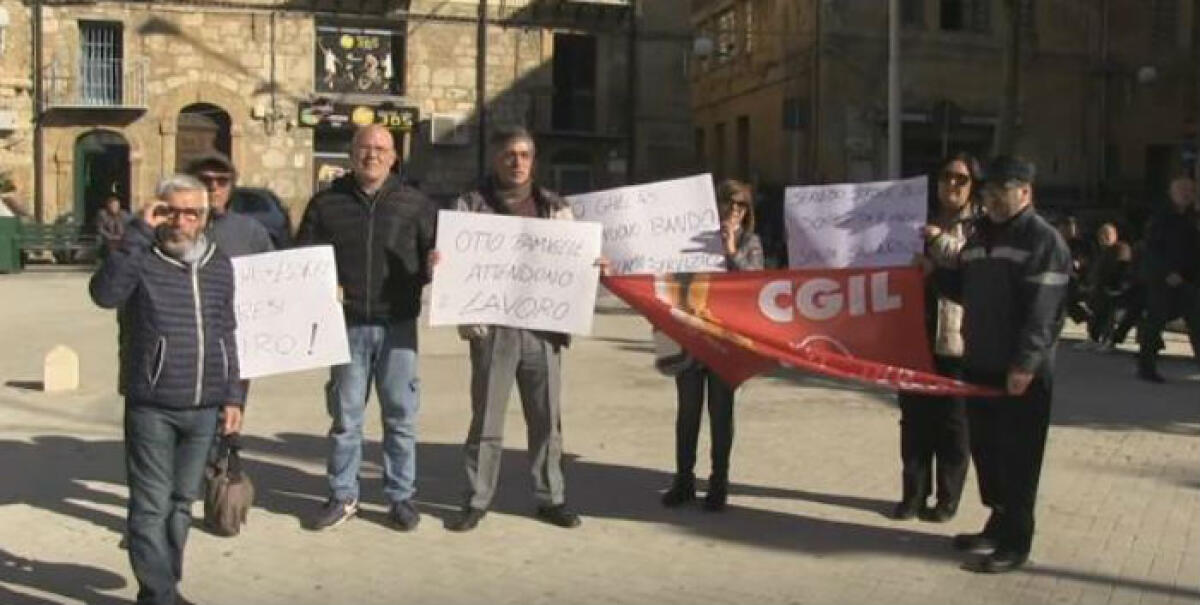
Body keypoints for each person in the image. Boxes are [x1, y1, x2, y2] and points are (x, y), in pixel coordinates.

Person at [89, 175, 245, 604]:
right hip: (152, 405)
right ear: (158, 211)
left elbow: (228, 331)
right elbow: (104, 294)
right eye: (170, 211)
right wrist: (137, 232)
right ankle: (159, 595)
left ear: (205, 217)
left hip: (205, 407)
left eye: (190, 213)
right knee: (151, 506)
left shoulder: (219, 262)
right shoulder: (142, 255)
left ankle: (164, 588)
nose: (180, 221)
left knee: (180, 506)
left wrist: (235, 396)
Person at [443, 127, 592, 532]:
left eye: (525, 155)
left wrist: (593, 265)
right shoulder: (470, 206)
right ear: (496, 158)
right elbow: (453, 263)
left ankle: (551, 497)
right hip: (492, 329)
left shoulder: (554, 206)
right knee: (487, 419)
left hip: (544, 329)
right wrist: (441, 265)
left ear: (534, 160)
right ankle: (476, 499)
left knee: (547, 420)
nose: (517, 162)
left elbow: (576, 265)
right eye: (510, 154)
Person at [295, 124, 437, 531]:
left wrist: (432, 268)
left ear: (394, 157)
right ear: (351, 154)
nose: (372, 154)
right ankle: (342, 496)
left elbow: (433, 256)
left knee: (401, 416)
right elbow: (304, 256)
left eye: (381, 148)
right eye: (364, 147)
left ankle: (401, 498)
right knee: (345, 418)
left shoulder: (416, 205)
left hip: (398, 325)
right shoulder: (326, 204)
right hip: (346, 325)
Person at [934, 156, 1070, 573]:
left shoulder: (1043, 241)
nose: (991, 198)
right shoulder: (979, 236)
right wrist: (933, 268)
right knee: (987, 453)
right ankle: (997, 522)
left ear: (1025, 192)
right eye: (988, 191)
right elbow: (963, 289)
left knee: (1019, 458)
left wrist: (1025, 364)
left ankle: (1016, 541)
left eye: (1001, 191)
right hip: (980, 363)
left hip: (1020, 374)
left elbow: (1044, 313)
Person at [659, 179, 763, 512]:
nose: (734, 211)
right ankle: (683, 480)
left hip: (725, 341)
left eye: (741, 205)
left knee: (721, 413)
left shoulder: (751, 242)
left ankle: (719, 484)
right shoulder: (691, 240)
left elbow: (753, 282)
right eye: (729, 203)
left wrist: (731, 250)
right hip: (689, 336)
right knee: (688, 412)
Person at [892, 153, 977, 523]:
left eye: (961, 179)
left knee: (953, 423)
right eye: (946, 177)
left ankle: (947, 498)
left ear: (973, 186)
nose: (952, 185)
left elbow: (973, 262)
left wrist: (938, 242)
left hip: (954, 338)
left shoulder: (980, 225)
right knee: (914, 420)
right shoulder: (913, 217)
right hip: (912, 333)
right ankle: (913, 494)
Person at [1135, 176, 1200, 382]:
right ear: (1172, 193)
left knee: (1196, 320)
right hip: (1163, 279)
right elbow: (1152, 249)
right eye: (1183, 191)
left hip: (1186, 278)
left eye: (1190, 191)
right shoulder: (1162, 217)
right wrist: (1167, 272)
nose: (1187, 194)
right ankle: (1146, 367)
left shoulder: (1191, 217)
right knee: (1156, 322)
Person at [184, 153, 274, 258]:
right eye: (205, 180)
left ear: (231, 187)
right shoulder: (174, 227)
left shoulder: (252, 231)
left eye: (222, 181)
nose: (213, 187)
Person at [1081, 223, 1134, 350]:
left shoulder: (1121, 249)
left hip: (1118, 289)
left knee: (1105, 303)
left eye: (1107, 235)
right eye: (1101, 235)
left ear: (1115, 236)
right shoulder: (1102, 253)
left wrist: (1115, 288)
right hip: (1102, 289)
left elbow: (1122, 271)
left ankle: (1107, 340)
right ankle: (1095, 337)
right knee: (1095, 301)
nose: (1104, 238)